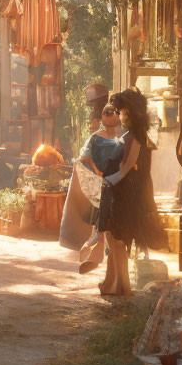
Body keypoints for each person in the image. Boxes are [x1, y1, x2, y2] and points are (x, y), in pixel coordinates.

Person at [96, 88, 166, 297]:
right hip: (122, 189)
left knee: (119, 239)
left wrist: (110, 180)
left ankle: (123, 287)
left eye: (122, 111)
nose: (119, 115)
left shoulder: (135, 136)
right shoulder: (128, 134)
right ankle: (115, 284)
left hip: (128, 192)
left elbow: (127, 166)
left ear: (131, 112)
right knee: (115, 238)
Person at [75, 101, 123, 272]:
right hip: (100, 181)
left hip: (118, 181)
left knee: (112, 220)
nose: (110, 129)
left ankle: (107, 260)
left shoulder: (123, 136)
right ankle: (94, 257)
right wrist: (98, 172)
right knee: (102, 220)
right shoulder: (95, 137)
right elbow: (85, 158)